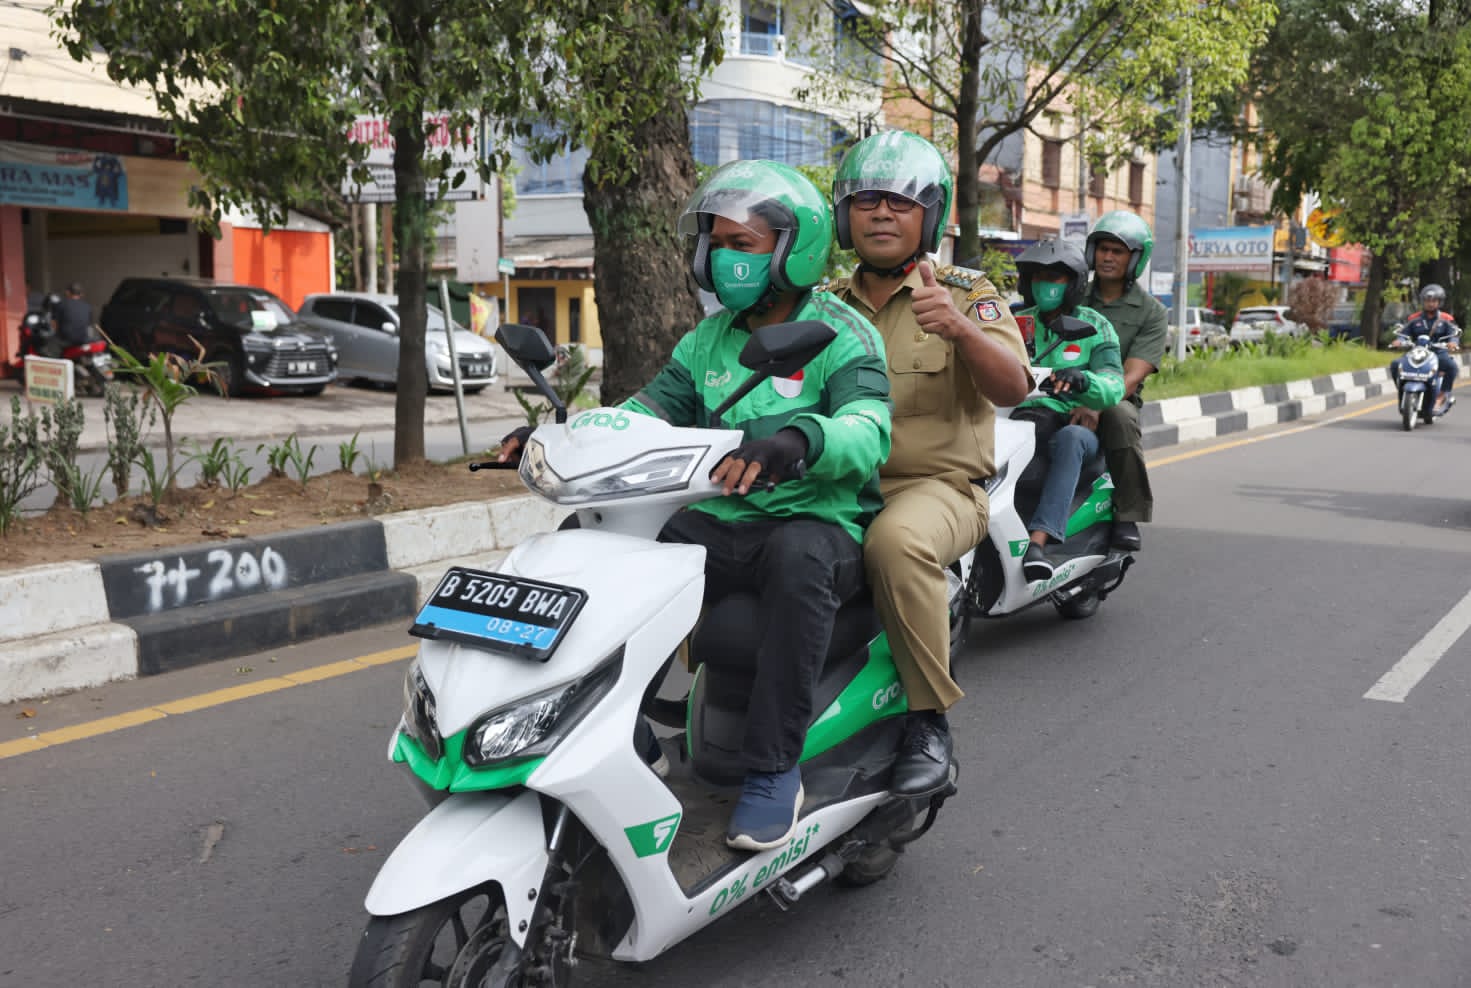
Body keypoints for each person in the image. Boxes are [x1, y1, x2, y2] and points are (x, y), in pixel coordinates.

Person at [498, 160, 892, 851]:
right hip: (718, 521)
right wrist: (560, 438)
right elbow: (645, 413)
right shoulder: (707, 339)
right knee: (586, 539)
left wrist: (798, 439)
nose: (725, 257)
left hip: (814, 524)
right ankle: (619, 733)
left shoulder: (843, 334)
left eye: (744, 243)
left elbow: (869, 428)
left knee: (798, 558)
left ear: (793, 249)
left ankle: (773, 770)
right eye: (718, 242)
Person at [827, 130, 1030, 797]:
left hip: (938, 488)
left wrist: (962, 330)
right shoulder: (823, 304)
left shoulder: (966, 291)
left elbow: (1013, 387)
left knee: (896, 542)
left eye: (900, 202)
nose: (881, 214)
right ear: (844, 216)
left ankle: (927, 720)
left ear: (930, 217)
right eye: (867, 201)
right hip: (836, 487)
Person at [1010, 239, 1125, 583]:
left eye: (1054, 278)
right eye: (1038, 277)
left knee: (1072, 438)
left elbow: (1114, 385)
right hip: (1015, 419)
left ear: (1073, 283)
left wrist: (1084, 381)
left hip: (1070, 426)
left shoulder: (1094, 326)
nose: (1044, 284)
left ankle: (1038, 543)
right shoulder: (1014, 321)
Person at [1082, 211, 1168, 552]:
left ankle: (1127, 513)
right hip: (1060, 387)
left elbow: (1131, 375)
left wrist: (1096, 402)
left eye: (1117, 251)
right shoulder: (1074, 296)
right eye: (1103, 249)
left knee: (1121, 417)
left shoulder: (1151, 312)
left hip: (1114, 397)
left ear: (1135, 258)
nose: (1107, 257)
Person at [1394, 284, 1461, 410]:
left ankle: (1441, 395)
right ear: (1423, 301)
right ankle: (1402, 390)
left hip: (1438, 352)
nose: (1430, 304)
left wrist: (1453, 342)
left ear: (1439, 302)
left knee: (1452, 367)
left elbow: (1454, 333)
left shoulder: (1446, 318)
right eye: (1427, 301)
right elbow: (1404, 333)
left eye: (1434, 301)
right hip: (1417, 352)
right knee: (1395, 364)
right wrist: (1399, 340)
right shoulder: (1414, 318)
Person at [54, 282, 96, 348]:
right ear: (81, 294)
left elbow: (54, 324)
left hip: (66, 341)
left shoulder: (60, 304)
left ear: (67, 292)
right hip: (84, 340)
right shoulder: (87, 306)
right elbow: (89, 327)